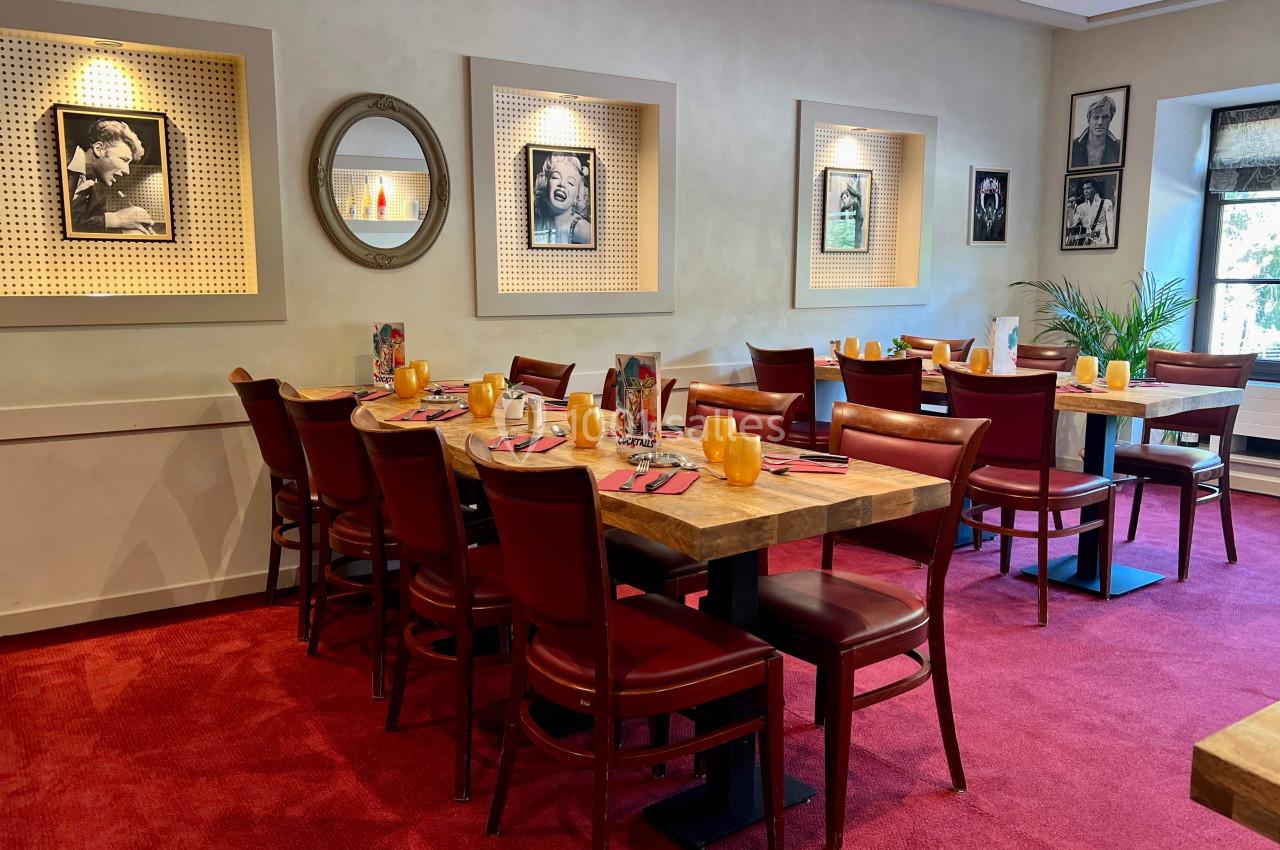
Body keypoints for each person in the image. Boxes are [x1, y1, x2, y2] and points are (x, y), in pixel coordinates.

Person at [65, 119, 154, 233]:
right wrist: (115, 219)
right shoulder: (57, 158)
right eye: (123, 160)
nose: (127, 171)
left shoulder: (97, 190)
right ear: (99, 149)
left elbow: (84, 226)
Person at [531, 152, 591, 244]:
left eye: (570, 183)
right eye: (555, 177)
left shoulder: (585, 231)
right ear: (546, 184)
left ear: (578, 196)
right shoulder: (534, 220)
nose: (562, 184)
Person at [1070, 95, 1122, 169]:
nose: (1100, 122)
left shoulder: (1119, 147)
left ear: (1110, 119)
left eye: (1104, 117)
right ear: (1088, 119)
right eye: (1096, 117)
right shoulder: (1073, 147)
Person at [1066, 177, 1115, 247]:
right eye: (1084, 189)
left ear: (1095, 189)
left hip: (1102, 242)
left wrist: (1111, 244)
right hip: (1086, 243)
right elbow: (1070, 225)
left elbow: (1111, 224)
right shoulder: (1081, 207)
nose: (1085, 191)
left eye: (1088, 188)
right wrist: (1071, 208)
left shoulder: (1106, 203)